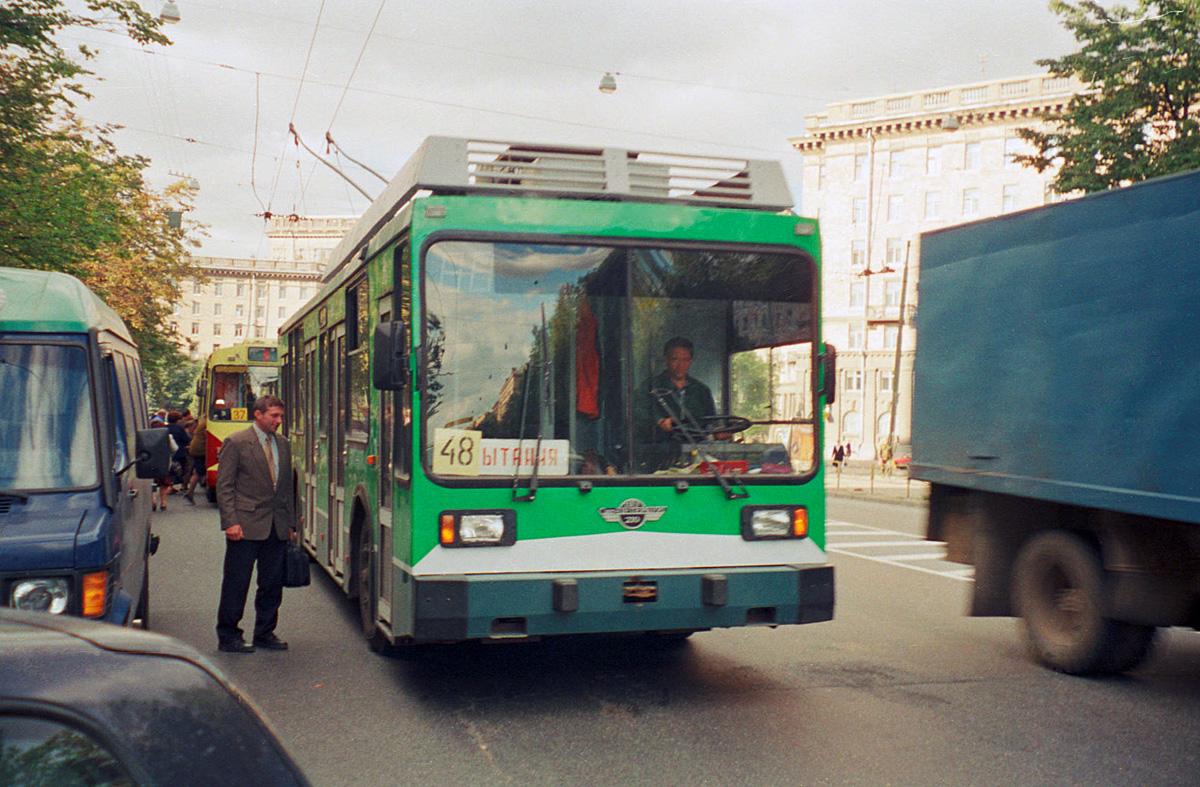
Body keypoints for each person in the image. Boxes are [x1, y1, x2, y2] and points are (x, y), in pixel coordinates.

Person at [215, 395, 295, 654]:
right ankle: (229, 636)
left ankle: (265, 632)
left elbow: (287, 487)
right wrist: (230, 522)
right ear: (258, 414)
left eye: (280, 416)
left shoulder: (283, 444)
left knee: (272, 584)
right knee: (237, 583)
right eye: (274, 416)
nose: (278, 421)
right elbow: (225, 486)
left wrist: (291, 523)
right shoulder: (236, 442)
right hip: (245, 526)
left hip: (277, 526)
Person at [635, 337, 718, 470]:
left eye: (685, 360)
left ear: (691, 362)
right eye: (675, 359)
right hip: (656, 456)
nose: (680, 365)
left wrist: (717, 431)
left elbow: (711, 422)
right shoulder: (649, 387)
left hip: (695, 458)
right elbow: (637, 417)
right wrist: (659, 422)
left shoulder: (701, 390)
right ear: (665, 360)